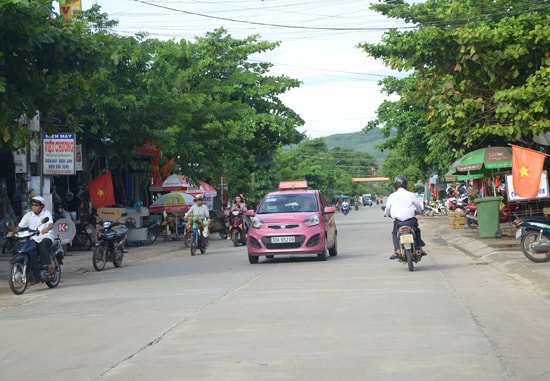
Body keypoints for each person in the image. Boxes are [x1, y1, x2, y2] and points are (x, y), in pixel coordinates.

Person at [8, 196, 55, 282]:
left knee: (42, 245)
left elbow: (50, 224)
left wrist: (46, 229)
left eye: (36, 205)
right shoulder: (28, 215)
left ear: (41, 206)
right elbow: (19, 226)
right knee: (26, 247)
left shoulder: (46, 213)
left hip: (46, 236)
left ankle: (49, 266)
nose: (34, 207)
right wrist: (13, 232)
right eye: (32, 205)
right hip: (33, 237)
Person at [384, 175, 427, 260]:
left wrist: (387, 214)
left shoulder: (392, 196)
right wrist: (419, 211)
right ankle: (419, 248)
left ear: (395, 185)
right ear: (406, 184)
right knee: (417, 231)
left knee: (394, 233)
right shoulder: (411, 194)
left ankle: (397, 251)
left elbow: (387, 209)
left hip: (398, 222)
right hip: (411, 221)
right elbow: (418, 206)